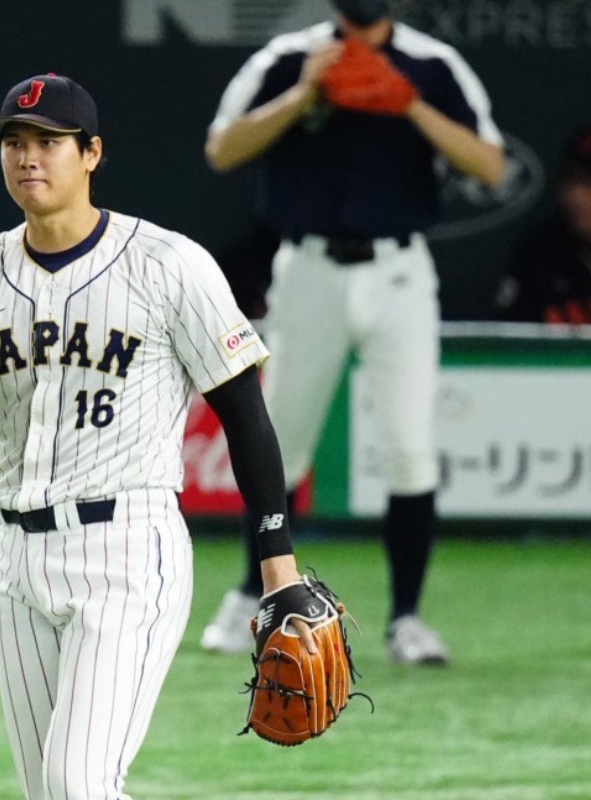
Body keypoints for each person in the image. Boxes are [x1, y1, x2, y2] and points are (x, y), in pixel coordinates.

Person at [0, 73, 316, 800]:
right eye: (15, 142)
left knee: (78, 784)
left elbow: (245, 413)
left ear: (91, 154)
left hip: (127, 549)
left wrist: (278, 561)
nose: (29, 157)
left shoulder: (167, 264)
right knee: (51, 792)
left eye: (49, 142)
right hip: (17, 560)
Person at [200, 0, 506, 664]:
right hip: (308, 267)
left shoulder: (431, 64)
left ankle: (407, 620)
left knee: (409, 446)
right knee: (281, 441)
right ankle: (252, 596)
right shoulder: (289, 58)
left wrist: (408, 104)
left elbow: (491, 165)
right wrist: (307, 91)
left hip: (399, 270)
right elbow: (223, 148)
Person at [495, 124, 591, 323]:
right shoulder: (540, 251)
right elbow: (510, 344)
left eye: (589, 183)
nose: (577, 196)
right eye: (571, 180)